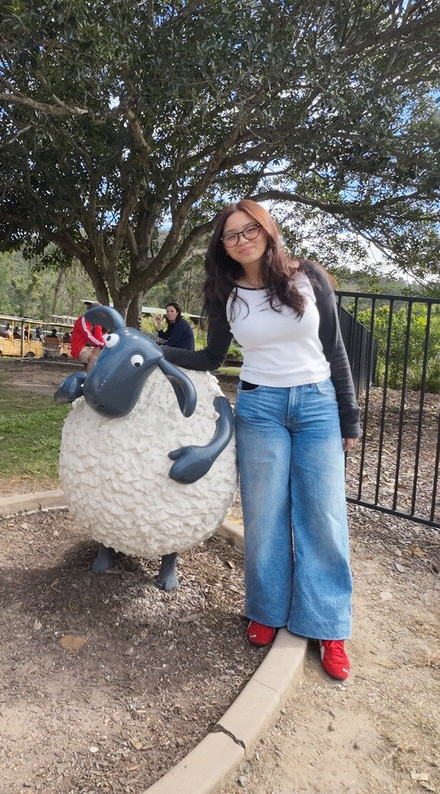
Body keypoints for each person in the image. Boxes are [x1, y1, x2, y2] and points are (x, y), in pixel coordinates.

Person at [159, 198, 361, 681]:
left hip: (316, 405)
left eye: (250, 229)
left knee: (324, 513)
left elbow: (334, 349)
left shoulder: (307, 277)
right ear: (223, 247)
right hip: (260, 406)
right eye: (231, 235)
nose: (242, 239)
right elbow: (210, 357)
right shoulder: (225, 294)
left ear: (268, 231)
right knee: (265, 514)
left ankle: (328, 625)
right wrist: (153, 347)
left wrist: (349, 417)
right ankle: (266, 611)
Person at [70, 301, 104, 370]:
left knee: (104, 354)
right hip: (79, 348)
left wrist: (104, 345)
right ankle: (89, 380)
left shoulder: (97, 322)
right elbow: (88, 336)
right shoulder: (82, 320)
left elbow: (99, 337)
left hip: (90, 348)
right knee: (93, 358)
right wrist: (103, 344)